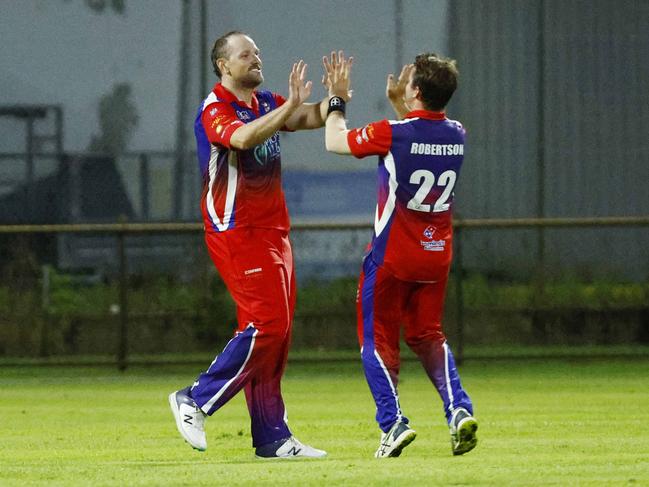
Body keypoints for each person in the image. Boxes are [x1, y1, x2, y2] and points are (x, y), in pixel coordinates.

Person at [169, 31, 345, 459]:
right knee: (266, 326)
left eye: (257, 52)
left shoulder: (264, 103)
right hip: (236, 231)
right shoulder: (215, 108)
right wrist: (287, 107)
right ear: (223, 66)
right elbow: (243, 139)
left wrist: (336, 100)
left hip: (273, 231)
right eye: (245, 54)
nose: (255, 58)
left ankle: (271, 436)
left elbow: (308, 117)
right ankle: (195, 397)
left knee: (276, 333)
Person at [323, 52, 478, 458]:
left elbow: (334, 140)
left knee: (375, 341)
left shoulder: (392, 132)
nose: (405, 83)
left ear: (418, 91)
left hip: (393, 256)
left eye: (411, 81)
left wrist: (337, 99)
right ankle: (459, 410)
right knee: (428, 335)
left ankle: (392, 423)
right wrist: (403, 106)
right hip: (436, 255)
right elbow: (423, 136)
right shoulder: (458, 133)